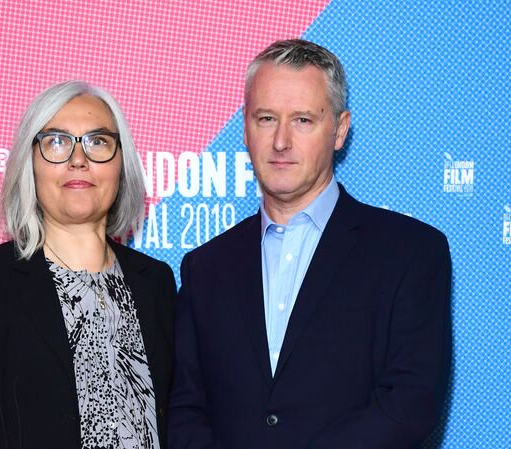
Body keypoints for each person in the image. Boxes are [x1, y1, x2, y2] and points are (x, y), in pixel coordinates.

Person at [169, 39, 452, 449]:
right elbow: (186, 410)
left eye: (303, 120)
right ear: (245, 128)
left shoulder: (411, 252)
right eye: (266, 118)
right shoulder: (205, 266)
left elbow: (410, 403)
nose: (281, 141)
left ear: (339, 130)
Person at [0, 81, 175, 449]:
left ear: (122, 163)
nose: (78, 159)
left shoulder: (156, 284)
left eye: (98, 142)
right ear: (29, 164)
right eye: (56, 142)